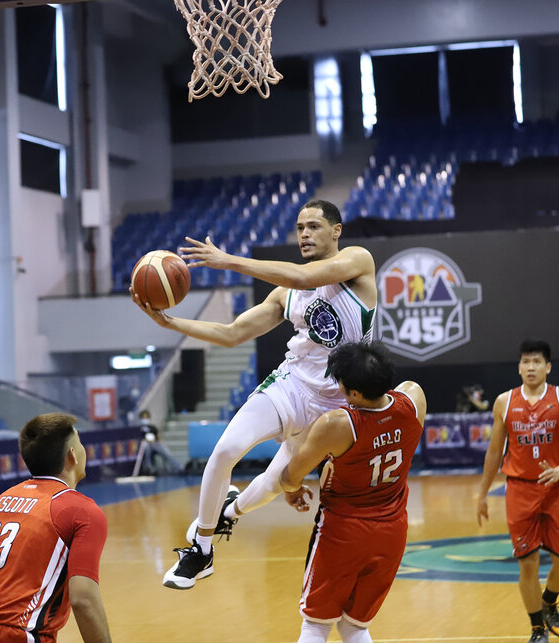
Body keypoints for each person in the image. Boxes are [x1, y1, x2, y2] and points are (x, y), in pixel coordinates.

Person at [132, 199, 377, 589]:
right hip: (292, 386)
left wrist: (228, 260)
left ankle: (232, 509)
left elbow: (304, 276)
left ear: (336, 231)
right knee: (226, 450)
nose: (305, 234)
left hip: (336, 401)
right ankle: (201, 549)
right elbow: (232, 334)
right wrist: (169, 322)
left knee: (277, 483)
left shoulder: (357, 262)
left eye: (314, 226)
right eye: (299, 228)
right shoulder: (286, 294)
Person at [278, 342, 425, 643]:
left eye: (342, 386)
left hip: (342, 531)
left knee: (316, 624)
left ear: (355, 394)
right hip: (392, 532)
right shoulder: (414, 398)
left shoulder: (337, 424)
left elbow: (291, 474)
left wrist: (290, 488)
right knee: (353, 626)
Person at [0, 412, 112, 642]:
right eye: (80, 442)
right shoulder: (81, 510)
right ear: (72, 455)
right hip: (18, 635)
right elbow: (83, 599)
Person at [476, 339, 559, 643]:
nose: (530, 367)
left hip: (555, 488)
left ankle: (549, 601)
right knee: (528, 563)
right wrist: (482, 493)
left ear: (548, 367)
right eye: (525, 362)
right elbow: (494, 452)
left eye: (536, 361)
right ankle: (537, 628)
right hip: (519, 491)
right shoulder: (504, 402)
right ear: (519, 367)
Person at [138, 409, 184, 474]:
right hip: (146, 445)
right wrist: (147, 441)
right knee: (146, 446)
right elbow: (139, 438)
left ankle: (178, 467)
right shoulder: (139, 428)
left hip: (154, 444)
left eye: (146, 417)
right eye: (143, 417)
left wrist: (158, 442)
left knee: (165, 450)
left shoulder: (152, 427)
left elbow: (158, 437)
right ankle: (150, 468)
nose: (145, 419)